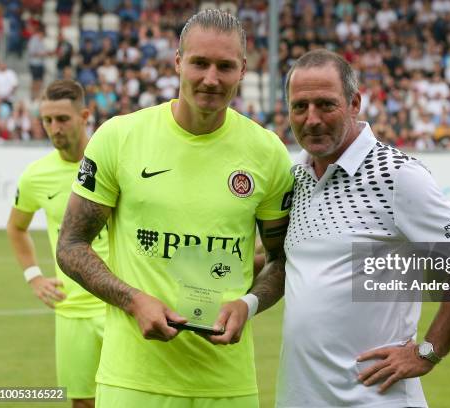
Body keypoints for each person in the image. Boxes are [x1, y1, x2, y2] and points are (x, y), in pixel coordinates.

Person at [56, 9, 293, 407]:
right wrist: (133, 300)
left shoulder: (267, 152)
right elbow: (71, 245)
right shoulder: (120, 137)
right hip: (133, 382)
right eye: (200, 63)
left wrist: (247, 304)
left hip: (227, 384)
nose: (211, 78)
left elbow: (281, 258)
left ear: (244, 70)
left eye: (225, 66)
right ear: (179, 61)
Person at [275, 49, 450, 407]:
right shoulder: (295, 177)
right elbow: (283, 263)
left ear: (354, 103)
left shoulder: (395, 175)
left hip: (376, 399)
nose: (311, 119)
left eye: (325, 105)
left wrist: (428, 352)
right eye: (300, 106)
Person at [6, 79, 108, 408]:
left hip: (120, 306)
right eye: (47, 120)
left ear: (85, 115)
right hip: (72, 310)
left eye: (62, 119)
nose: (54, 128)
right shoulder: (36, 176)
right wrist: (33, 276)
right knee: (82, 403)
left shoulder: (112, 163)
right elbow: (16, 227)